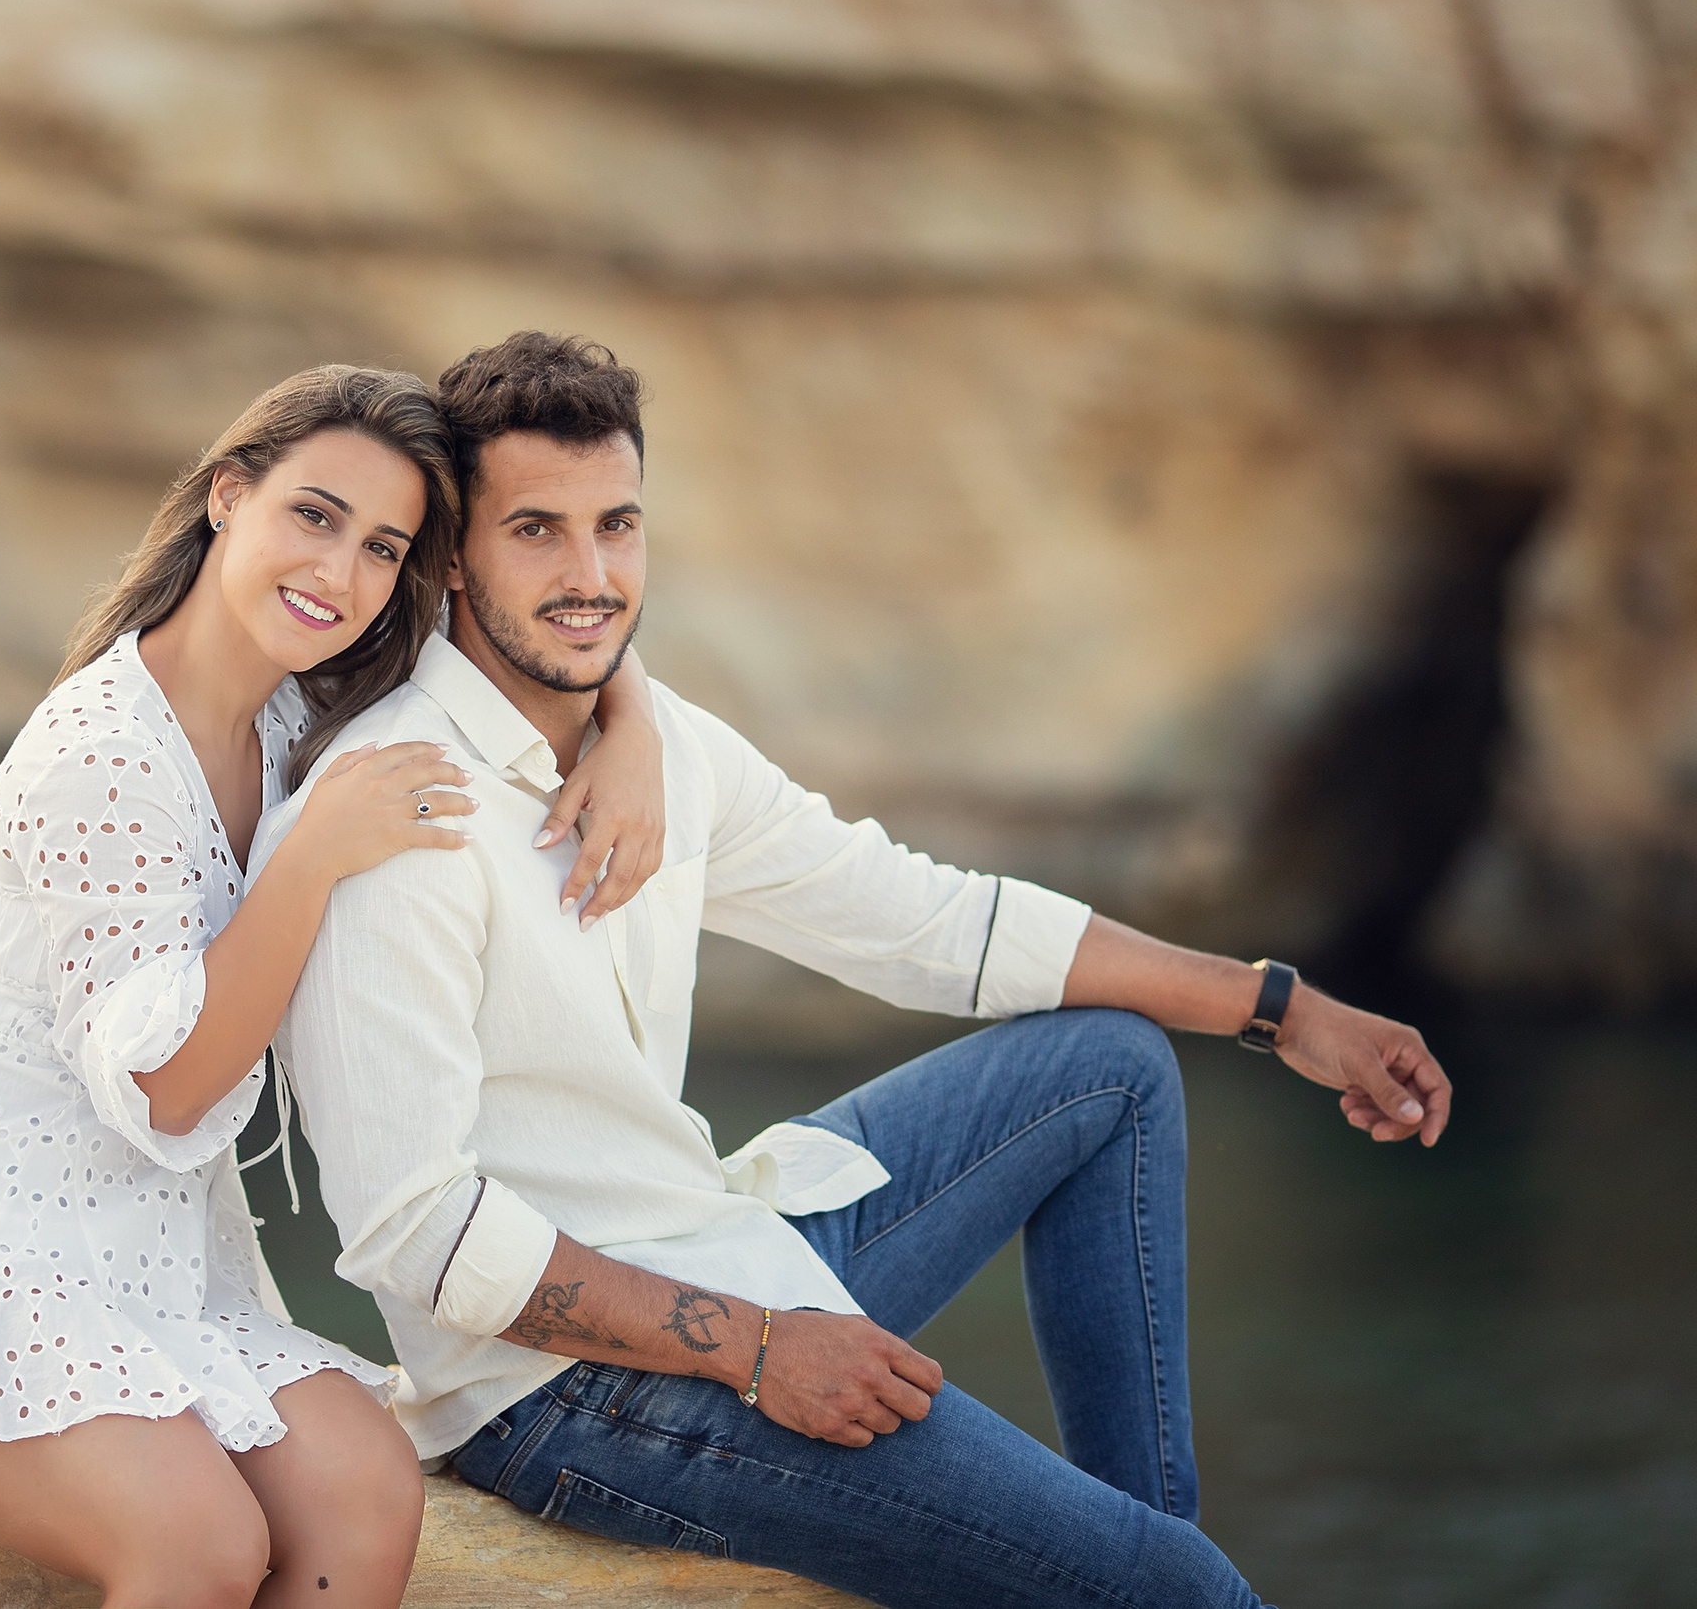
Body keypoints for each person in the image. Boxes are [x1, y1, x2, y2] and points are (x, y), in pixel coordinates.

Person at [255, 333, 1457, 1609]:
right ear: (451, 554)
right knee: (1183, 1588)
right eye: (536, 531)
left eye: (617, 525)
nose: (591, 576)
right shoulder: (401, 811)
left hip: (713, 1240)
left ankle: (1134, 1566)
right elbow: (417, 1234)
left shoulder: (659, 746)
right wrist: (756, 1348)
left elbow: (928, 922)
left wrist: (1280, 1006)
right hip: (556, 1393)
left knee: (1106, 1069)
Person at [0, 362, 669, 1609]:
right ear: (229, 495)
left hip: (151, 1260)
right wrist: (314, 854)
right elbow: (168, 1089)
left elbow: (541, 629)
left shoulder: (299, 716)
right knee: (201, 1546)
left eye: (383, 548)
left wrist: (632, 728)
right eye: (315, 515)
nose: (340, 572)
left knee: (368, 1493)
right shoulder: (100, 752)